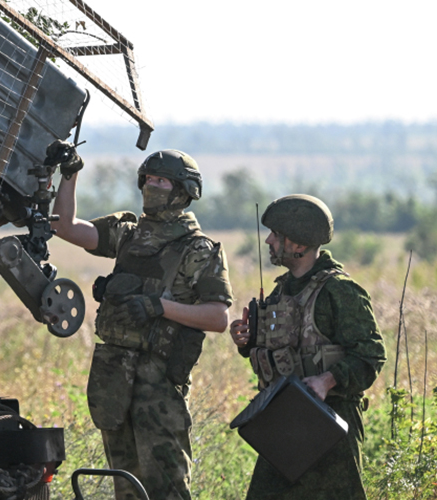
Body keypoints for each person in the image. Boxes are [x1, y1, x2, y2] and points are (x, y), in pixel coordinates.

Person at [48, 142, 233, 500]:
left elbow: (218, 317)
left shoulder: (199, 249)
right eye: (148, 178)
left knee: (167, 488)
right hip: (114, 379)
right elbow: (66, 227)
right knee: (126, 487)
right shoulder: (128, 233)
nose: (152, 186)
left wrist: (159, 307)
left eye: (162, 181)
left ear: (184, 191)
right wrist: (69, 174)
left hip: (160, 384)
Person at [229, 194, 386, 500]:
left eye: (277, 235)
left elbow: (371, 355)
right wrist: (246, 343)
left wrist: (326, 381)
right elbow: (279, 354)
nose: (268, 241)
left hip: (330, 427)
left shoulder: (339, 291)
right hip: (283, 422)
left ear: (299, 245)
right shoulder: (281, 290)